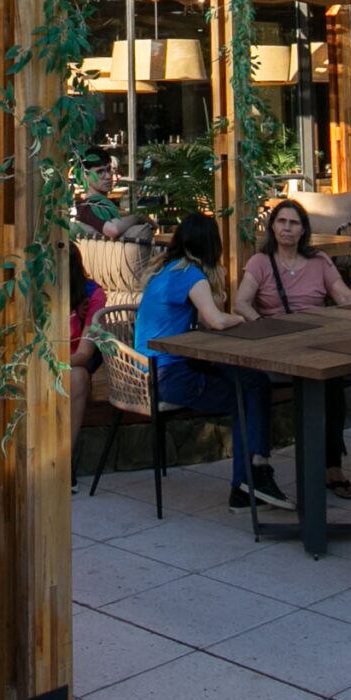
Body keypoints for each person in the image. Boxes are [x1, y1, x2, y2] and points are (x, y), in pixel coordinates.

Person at [131, 213, 287, 509]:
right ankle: (251, 479)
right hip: (170, 376)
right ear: (211, 244)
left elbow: (201, 322)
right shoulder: (190, 274)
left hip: (151, 372)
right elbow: (214, 320)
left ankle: (254, 472)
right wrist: (241, 319)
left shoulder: (165, 269)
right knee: (248, 395)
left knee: (251, 381)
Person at [235, 197, 351, 498]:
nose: (287, 229)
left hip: (316, 344)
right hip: (278, 349)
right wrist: (265, 326)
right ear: (273, 227)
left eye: (294, 223)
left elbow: (344, 296)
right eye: (281, 222)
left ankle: (332, 465)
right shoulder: (261, 262)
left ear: (304, 230)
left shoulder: (319, 261)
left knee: (333, 383)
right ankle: (268, 462)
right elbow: (241, 302)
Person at [67, 247, 107, 466]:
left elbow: (84, 354)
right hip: (45, 359)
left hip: (73, 360)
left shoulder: (93, 294)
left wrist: (47, 365)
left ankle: (65, 462)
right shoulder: (36, 291)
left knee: (78, 377)